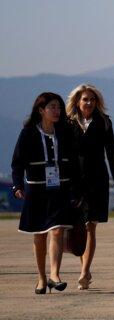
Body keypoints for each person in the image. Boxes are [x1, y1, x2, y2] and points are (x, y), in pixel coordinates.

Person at [10, 92, 82, 294]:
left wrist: (76, 190)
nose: (57, 111)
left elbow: (74, 163)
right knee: (40, 236)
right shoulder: (28, 133)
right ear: (41, 110)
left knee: (57, 230)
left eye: (59, 107)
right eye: (52, 107)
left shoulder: (65, 132)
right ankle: (41, 278)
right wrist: (17, 186)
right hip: (36, 190)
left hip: (60, 189)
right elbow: (17, 163)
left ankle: (54, 275)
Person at [67, 83, 114, 290]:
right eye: (85, 99)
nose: (89, 102)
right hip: (74, 181)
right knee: (78, 227)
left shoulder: (104, 122)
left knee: (91, 225)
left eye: (92, 99)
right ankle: (85, 267)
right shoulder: (67, 123)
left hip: (97, 179)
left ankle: (84, 271)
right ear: (77, 101)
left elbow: (112, 153)